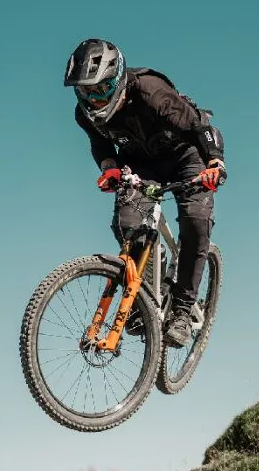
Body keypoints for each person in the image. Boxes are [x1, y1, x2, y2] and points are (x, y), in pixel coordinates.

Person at [64, 38, 226, 347]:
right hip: (141, 163)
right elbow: (100, 145)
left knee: (194, 220)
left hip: (187, 157)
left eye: (100, 90)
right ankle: (145, 296)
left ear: (118, 78)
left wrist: (215, 162)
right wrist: (109, 167)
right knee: (128, 225)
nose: (94, 99)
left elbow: (200, 127)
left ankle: (181, 310)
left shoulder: (151, 93)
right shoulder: (83, 114)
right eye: (86, 91)